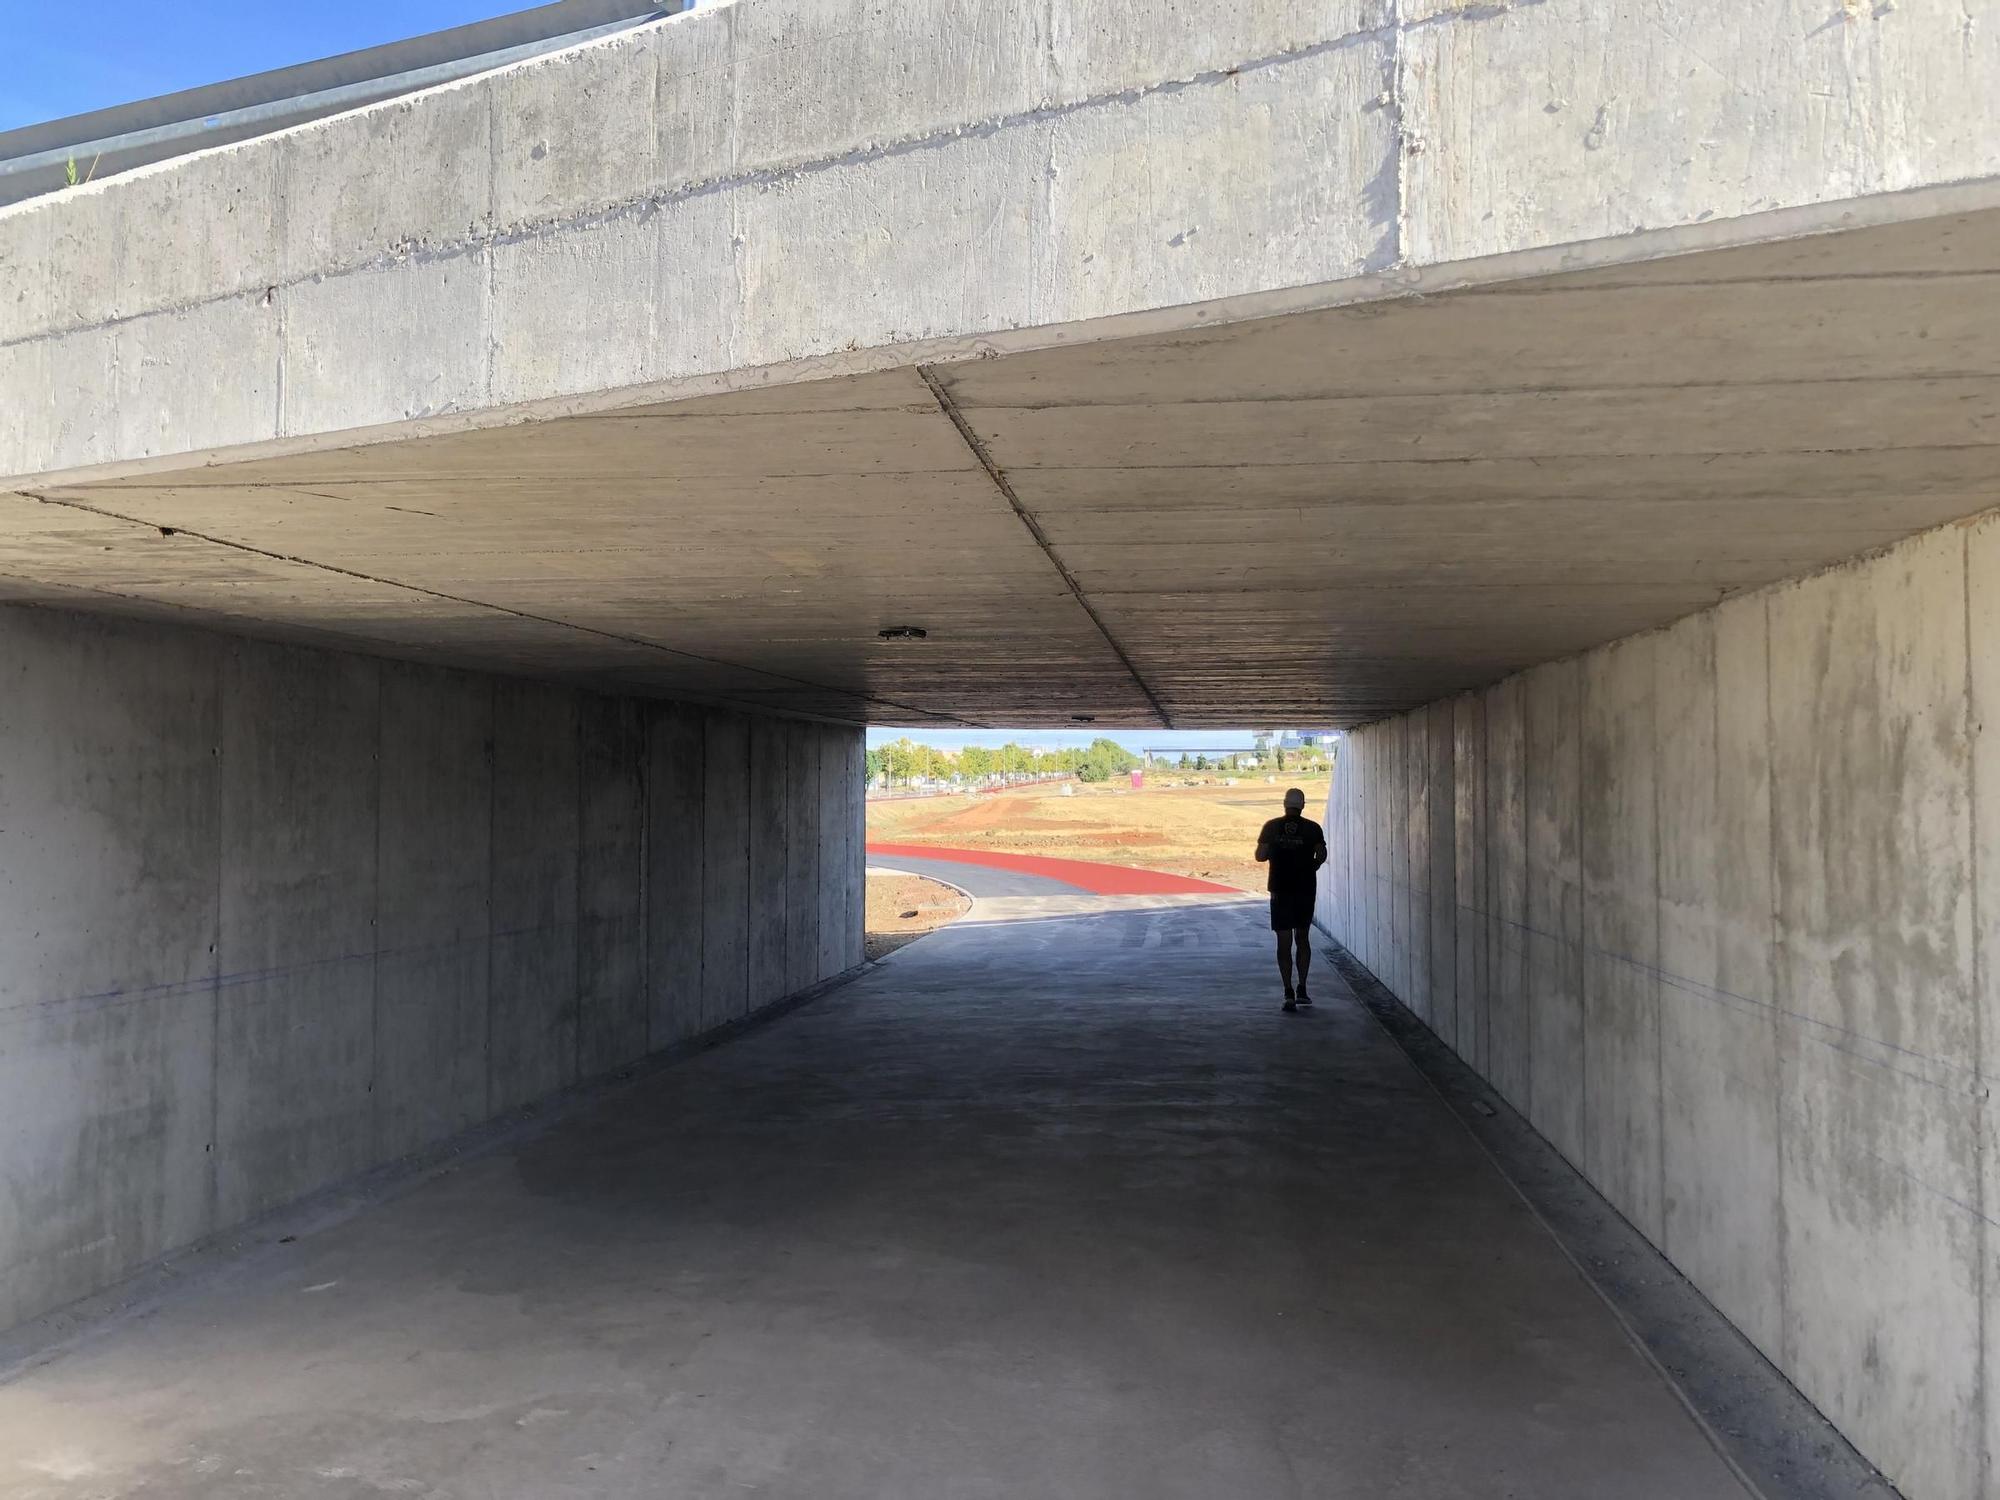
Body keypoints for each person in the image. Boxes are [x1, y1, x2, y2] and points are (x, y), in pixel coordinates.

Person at [1256, 788, 1327, 1013]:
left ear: (1284, 804)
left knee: (1284, 943)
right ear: (1302, 805)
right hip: (1305, 891)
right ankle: (1302, 989)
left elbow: (1260, 855)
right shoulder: (1313, 828)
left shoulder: (1271, 826)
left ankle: (1288, 992)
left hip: (1280, 891)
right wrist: (1312, 866)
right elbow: (1321, 854)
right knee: (1303, 939)